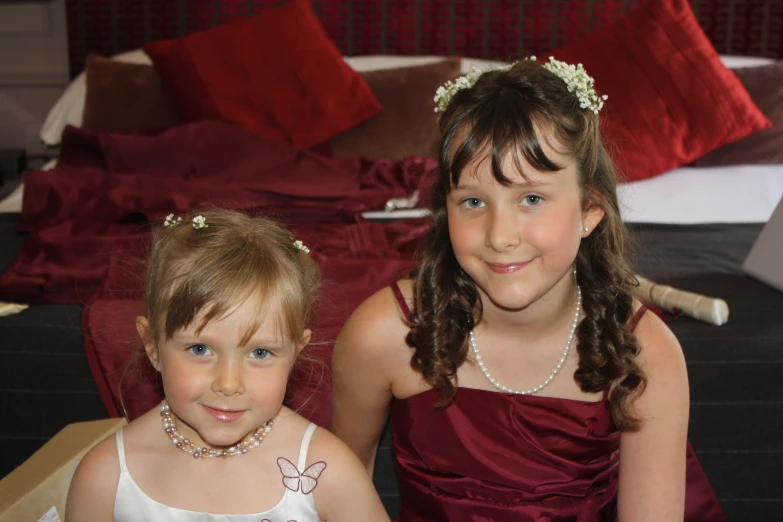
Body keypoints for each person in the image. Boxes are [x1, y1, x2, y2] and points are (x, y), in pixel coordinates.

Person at [331, 58, 727, 521]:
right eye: (474, 201)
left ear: (590, 211)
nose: (500, 236)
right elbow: (338, 495)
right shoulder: (383, 335)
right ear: (445, 210)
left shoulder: (645, 356)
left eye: (532, 199)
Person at [66, 210, 390, 522]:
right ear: (152, 346)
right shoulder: (106, 477)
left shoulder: (329, 472)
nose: (229, 383)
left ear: (295, 353)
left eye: (260, 353)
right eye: (200, 349)